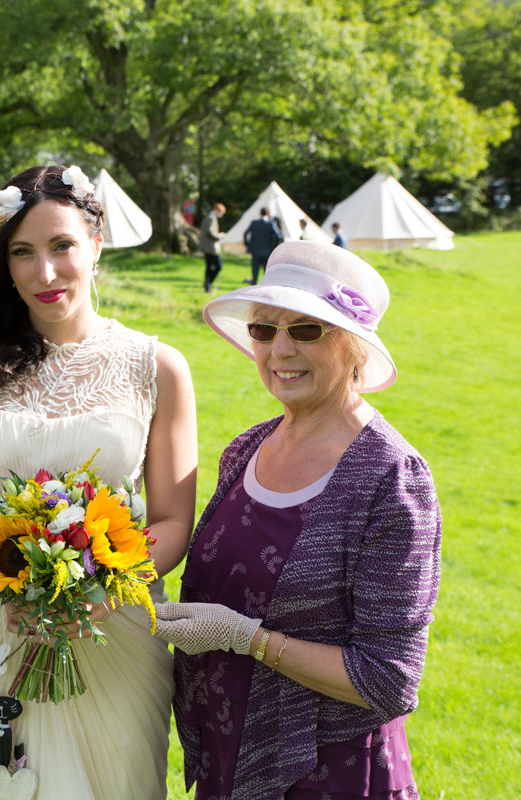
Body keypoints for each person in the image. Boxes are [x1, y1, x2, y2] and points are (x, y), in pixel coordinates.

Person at [0, 164, 198, 799]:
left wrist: (99, 593)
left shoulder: (157, 367)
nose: (45, 273)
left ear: (95, 242)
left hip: (114, 632)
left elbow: (172, 521)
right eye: (22, 253)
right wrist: (4, 589)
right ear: (2, 263)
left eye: (61, 246)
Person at [155, 241, 441, 799]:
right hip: (228, 756)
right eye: (264, 330)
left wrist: (249, 639)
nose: (280, 349)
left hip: (329, 774)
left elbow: (389, 679)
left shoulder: (392, 479)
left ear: (355, 347)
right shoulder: (247, 449)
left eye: (307, 330)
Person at [243, 206, 282, 285]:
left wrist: (248, 244)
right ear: (268, 214)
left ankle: (253, 286)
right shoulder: (271, 224)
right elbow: (279, 236)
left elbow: (245, 234)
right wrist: (274, 246)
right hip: (267, 252)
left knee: (255, 273)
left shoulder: (254, 223)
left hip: (255, 251)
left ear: (260, 213)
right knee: (266, 273)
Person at [201, 202, 226, 292]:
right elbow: (210, 233)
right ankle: (208, 283)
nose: (221, 215)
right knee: (218, 266)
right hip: (211, 247)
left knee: (209, 266)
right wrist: (220, 236)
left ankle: (207, 284)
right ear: (217, 210)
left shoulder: (210, 217)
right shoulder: (211, 218)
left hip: (208, 247)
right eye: (221, 213)